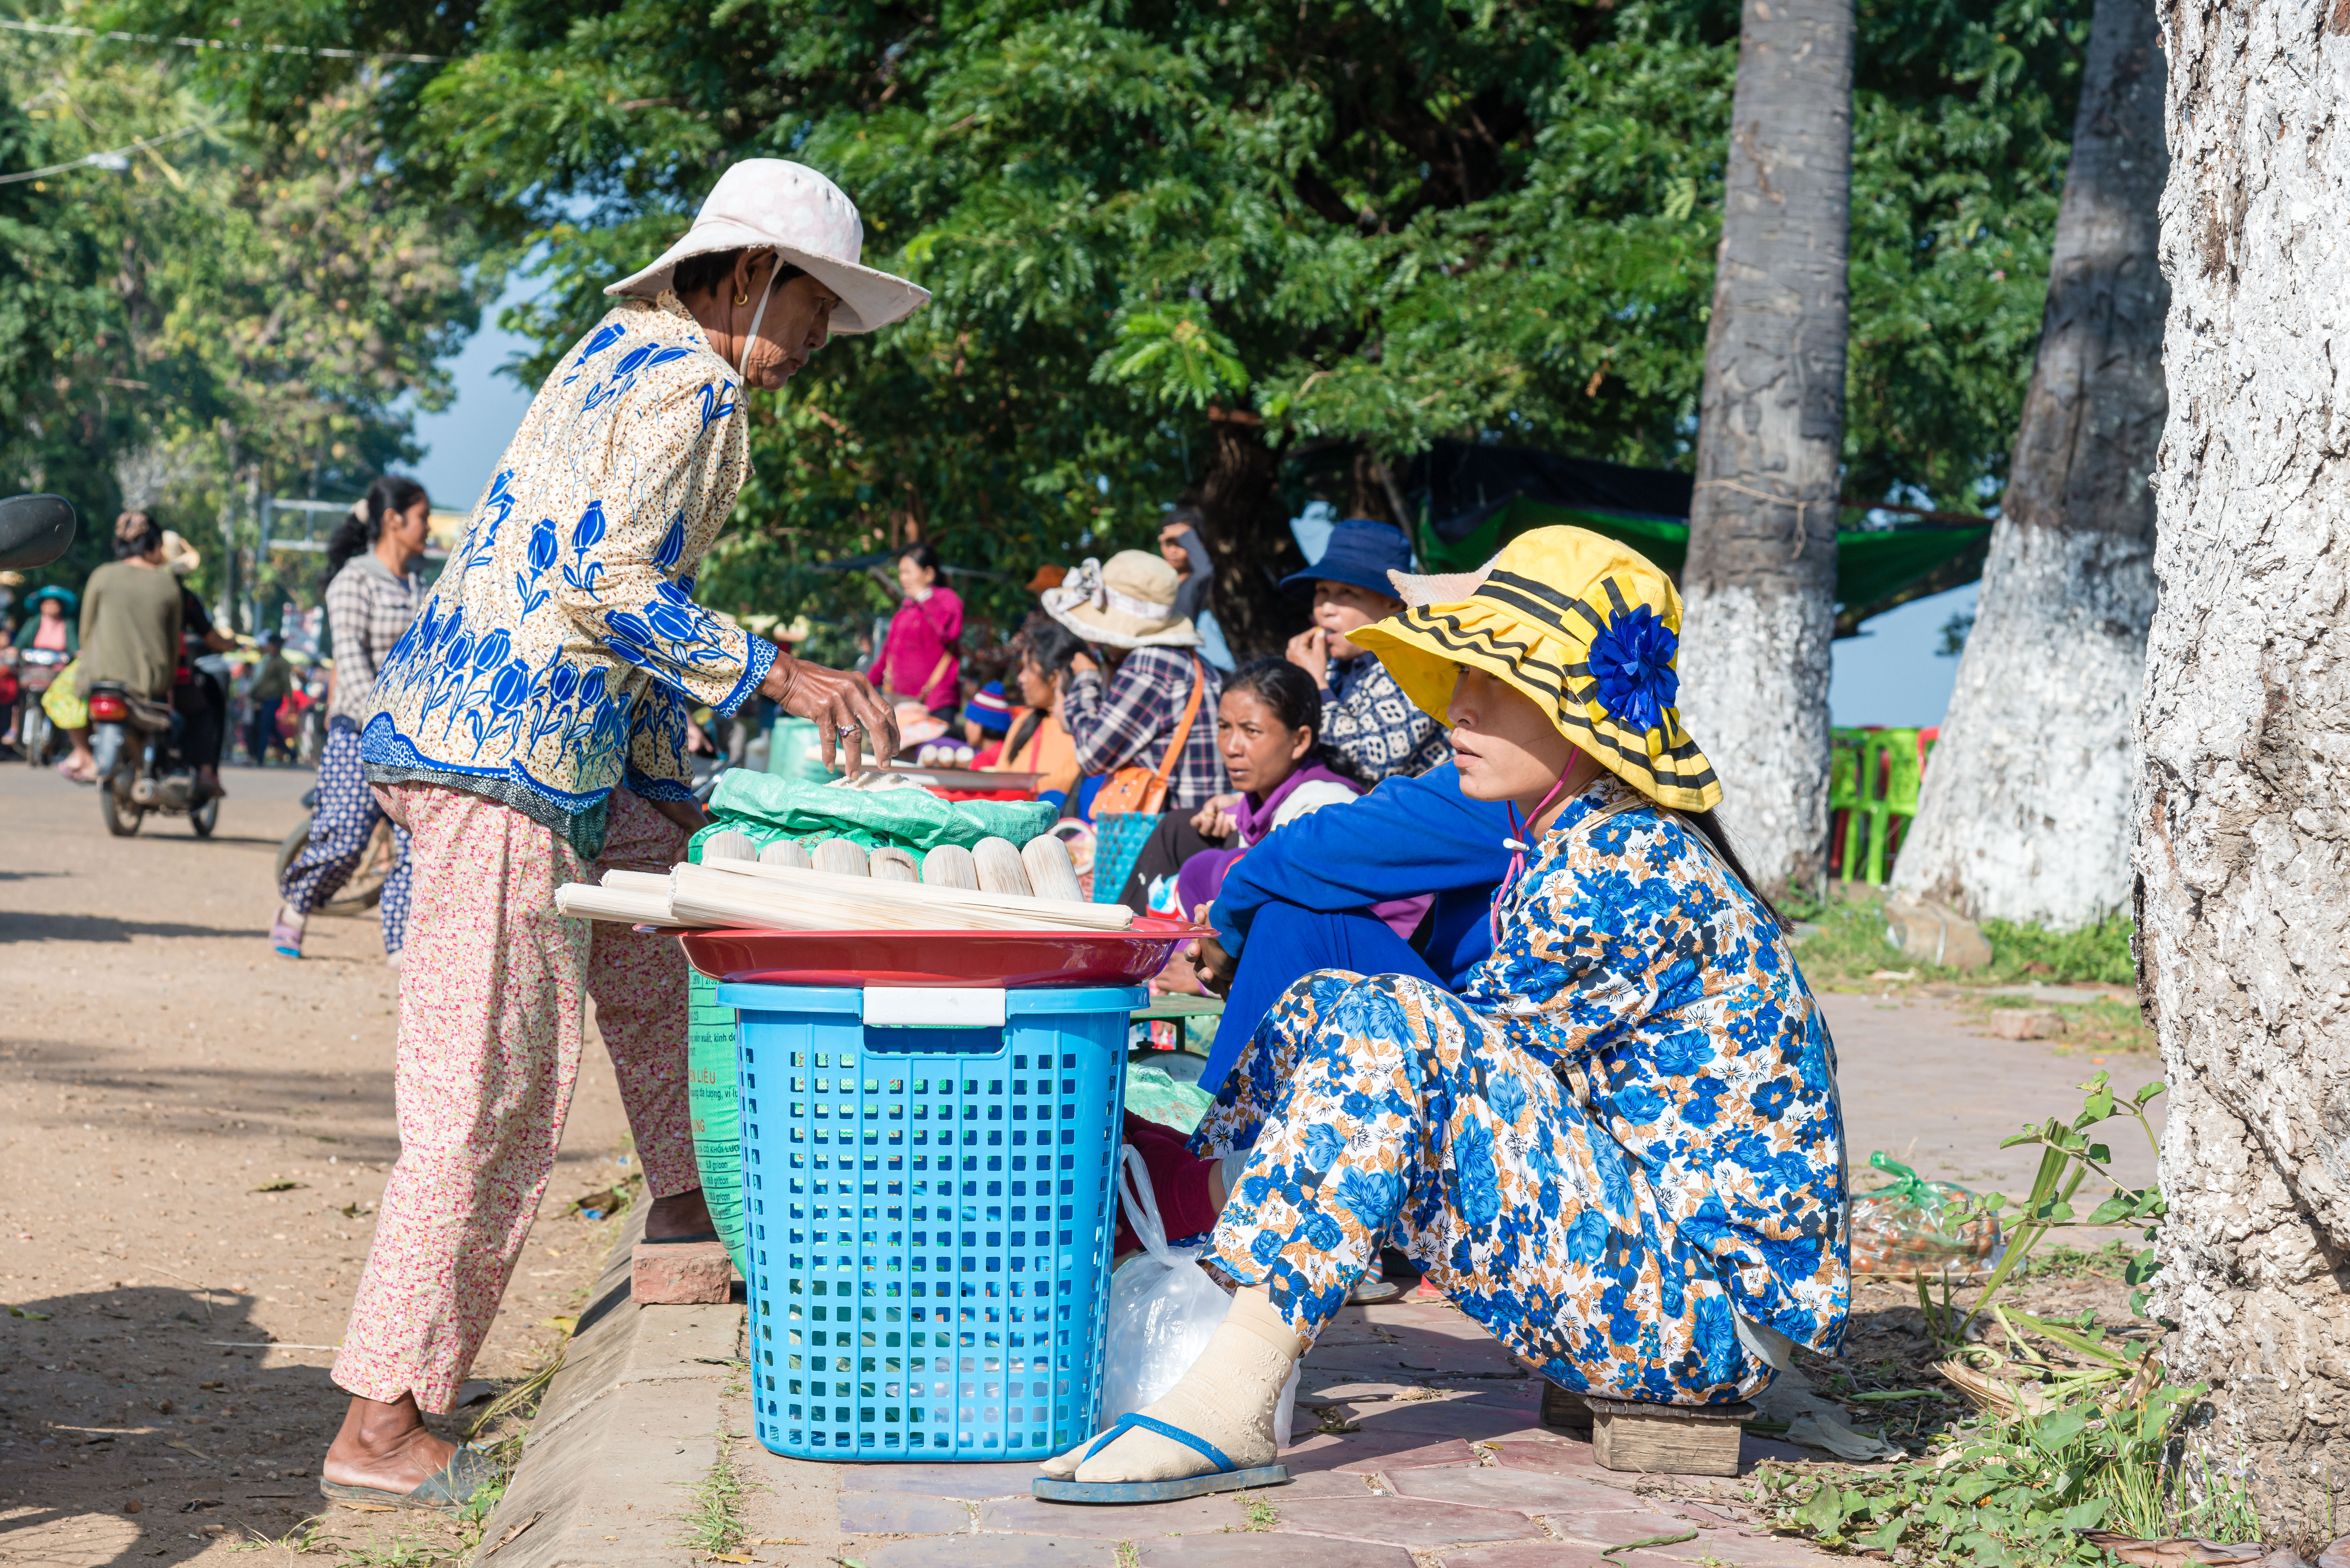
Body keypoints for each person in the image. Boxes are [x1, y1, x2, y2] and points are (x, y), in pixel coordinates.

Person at [323, 159, 922, 1512]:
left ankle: (683, 1205)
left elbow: (585, 582)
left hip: (528, 746)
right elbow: (606, 579)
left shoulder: (617, 351)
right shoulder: (694, 379)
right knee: (484, 1099)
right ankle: (381, 1412)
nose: (820, 340)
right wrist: (782, 671)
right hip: (506, 762)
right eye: (816, 304)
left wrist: (672, 781)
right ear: (754, 274)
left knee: (656, 964)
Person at [1040, 526, 1846, 1499]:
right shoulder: (1583, 838)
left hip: (1702, 1324)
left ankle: (1227, 1383)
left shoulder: (1618, 866)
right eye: (1460, 675)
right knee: (1336, 1003)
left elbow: (1434, 1078)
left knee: (1388, 1029)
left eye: (1498, 686)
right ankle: (1222, 1231)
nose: (1458, 707)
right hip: (1662, 1272)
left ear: (1583, 713)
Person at [270, 478, 432, 964]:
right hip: (359, 732)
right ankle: (294, 910)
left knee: (416, 847)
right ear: (393, 520)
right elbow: (352, 663)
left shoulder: (421, 586)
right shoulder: (353, 580)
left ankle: (402, 945)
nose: (428, 527)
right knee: (345, 839)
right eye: (422, 517)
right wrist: (384, 725)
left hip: (417, 739)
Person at [1115, 658, 1365, 919]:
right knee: (1180, 828)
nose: (1232, 748)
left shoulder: (1323, 811)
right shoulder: (1252, 805)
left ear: (1300, 740)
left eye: (1252, 731)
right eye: (1224, 727)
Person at [1043, 551, 1226, 812]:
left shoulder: (1149, 665)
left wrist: (1086, 678)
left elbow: (1091, 755)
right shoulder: (1191, 661)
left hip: (1170, 828)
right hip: (1195, 820)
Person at [1282, 518, 1449, 782]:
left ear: (1393, 603)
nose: (1326, 608)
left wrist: (1315, 684)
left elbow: (1371, 763)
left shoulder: (1417, 664)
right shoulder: (1332, 669)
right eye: (1322, 591)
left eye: (1346, 592)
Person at [72, 513, 184, 783]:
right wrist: (167, 681)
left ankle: (82, 754)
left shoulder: (102, 575)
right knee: (179, 726)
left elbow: (86, 632)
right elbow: (173, 643)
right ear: (154, 546)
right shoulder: (167, 584)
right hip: (148, 684)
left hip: (99, 677)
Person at [161, 531, 237, 800]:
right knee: (204, 714)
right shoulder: (183, 597)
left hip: (128, 675)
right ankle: (206, 773)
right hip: (171, 677)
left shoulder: (125, 588)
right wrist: (232, 644)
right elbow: (211, 638)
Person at [989, 617, 1082, 803]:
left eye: (1028, 670)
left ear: (1055, 678)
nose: (1020, 679)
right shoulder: (1024, 721)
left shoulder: (1082, 729)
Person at [878, 541, 962, 718]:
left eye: (908, 572)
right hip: (901, 706)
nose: (902, 578)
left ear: (929, 573)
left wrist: (925, 597)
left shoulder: (948, 600)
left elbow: (950, 633)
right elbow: (886, 658)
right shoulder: (905, 611)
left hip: (937, 705)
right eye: (901, 572)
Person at [246, 632, 293, 764]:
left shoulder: (282, 663)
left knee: (264, 728)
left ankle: (260, 758)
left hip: (273, 699)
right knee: (269, 728)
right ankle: (291, 753)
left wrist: (289, 703)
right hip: (262, 699)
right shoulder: (267, 660)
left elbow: (286, 683)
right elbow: (260, 680)